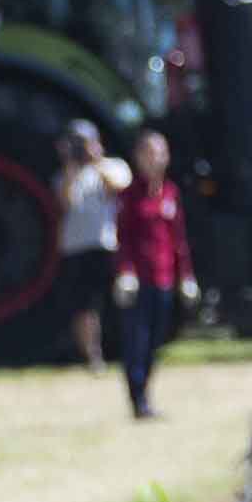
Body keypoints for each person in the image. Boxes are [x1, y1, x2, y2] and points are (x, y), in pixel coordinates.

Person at [115, 128, 190, 419]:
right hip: (139, 280)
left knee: (156, 341)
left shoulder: (170, 193)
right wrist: (125, 272)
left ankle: (146, 392)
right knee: (138, 340)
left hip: (165, 278)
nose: (155, 159)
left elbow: (178, 239)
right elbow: (122, 238)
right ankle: (138, 400)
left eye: (160, 152)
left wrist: (186, 275)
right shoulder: (129, 196)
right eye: (149, 153)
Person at [56, 117, 127, 370]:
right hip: (76, 247)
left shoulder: (114, 166)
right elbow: (66, 202)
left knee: (117, 300)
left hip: (108, 243)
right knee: (85, 305)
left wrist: (96, 160)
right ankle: (92, 357)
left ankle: (124, 349)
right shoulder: (67, 174)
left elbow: (119, 188)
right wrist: (69, 165)